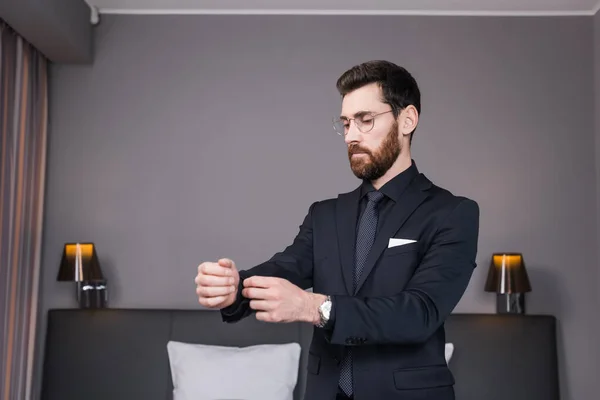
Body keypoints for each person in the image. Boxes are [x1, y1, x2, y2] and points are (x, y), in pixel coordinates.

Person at [194, 60, 479, 400]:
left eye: (365, 120)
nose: (351, 135)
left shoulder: (452, 213)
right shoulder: (325, 214)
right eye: (345, 123)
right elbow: (287, 267)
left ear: (407, 120)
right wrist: (235, 287)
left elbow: (419, 313)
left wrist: (314, 307)